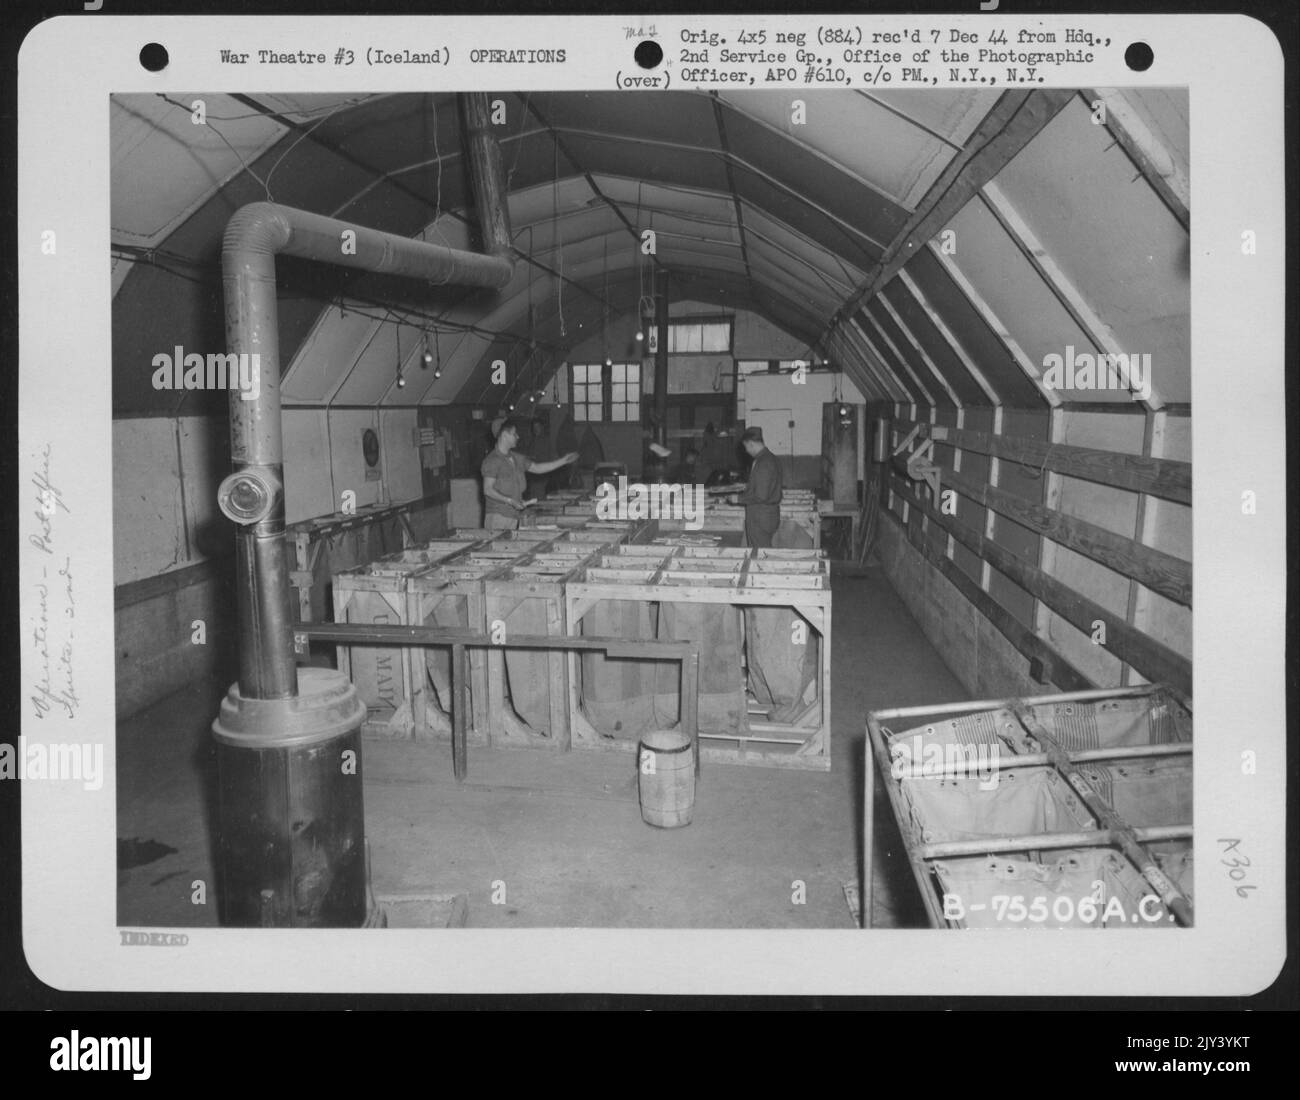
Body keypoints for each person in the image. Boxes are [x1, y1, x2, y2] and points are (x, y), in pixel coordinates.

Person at [481, 418, 577, 530]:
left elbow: (537, 468)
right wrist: (510, 501)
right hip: (497, 518)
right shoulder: (492, 461)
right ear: (504, 435)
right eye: (514, 433)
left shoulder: (517, 458)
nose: (518, 436)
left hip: (514, 516)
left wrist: (563, 461)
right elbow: (488, 489)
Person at [729, 426, 783, 548]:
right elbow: (767, 487)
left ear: (751, 444)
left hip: (760, 516)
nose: (747, 451)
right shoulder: (772, 458)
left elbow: (761, 496)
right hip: (769, 514)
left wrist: (738, 499)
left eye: (746, 447)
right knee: (763, 551)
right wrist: (748, 487)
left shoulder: (763, 462)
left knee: (759, 555)